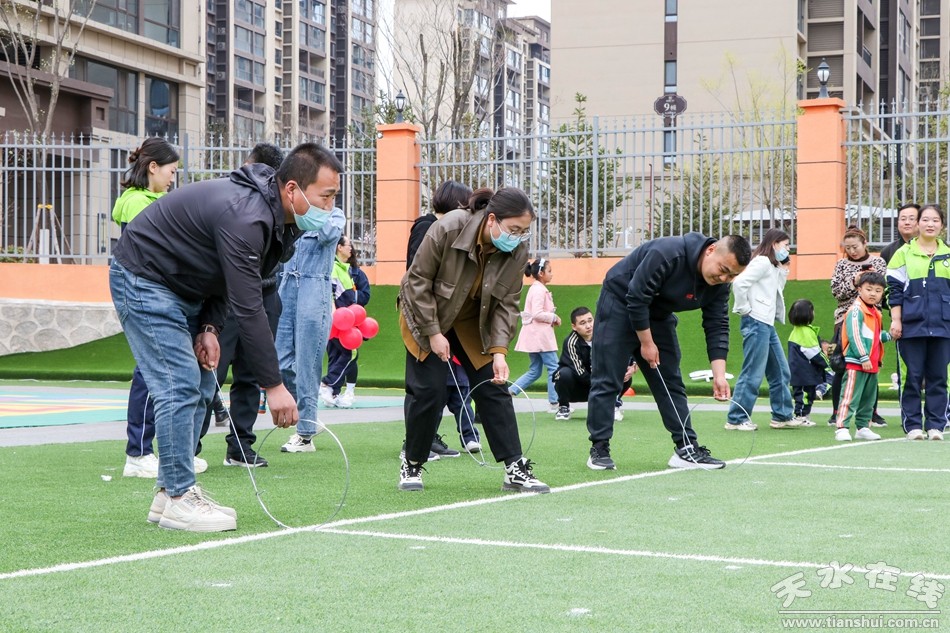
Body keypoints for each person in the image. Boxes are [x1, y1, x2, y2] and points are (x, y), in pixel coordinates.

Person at [110, 142, 342, 532]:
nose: (331, 208)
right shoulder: (248, 216)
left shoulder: (277, 218)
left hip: (184, 287)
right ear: (292, 190)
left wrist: (209, 328)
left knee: (198, 385)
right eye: (327, 196)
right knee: (178, 385)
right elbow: (249, 305)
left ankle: (168, 494)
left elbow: (223, 276)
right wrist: (274, 385)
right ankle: (182, 497)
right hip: (144, 279)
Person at [397, 186, 550, 493]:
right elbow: (416, 282)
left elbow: (507, 304)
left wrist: (499, 352)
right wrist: (434, 332)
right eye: (513, 229)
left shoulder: (516, 251)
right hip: (426, 312)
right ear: (491, 220)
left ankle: (514, 468)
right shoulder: (449, 227)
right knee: (428, 392)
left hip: (472, 321)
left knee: (494, 387)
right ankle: (411, 463)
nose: (518, 237)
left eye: (524, 232)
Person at [585, 232, 751, 471]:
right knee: (608, 378)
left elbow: (717, 325)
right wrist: (647, 343)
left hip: (658, 315)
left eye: (732, 275)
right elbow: (637, 296)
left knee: (670, 380)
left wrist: (719, 374)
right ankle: (599, 447)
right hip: (621, 302)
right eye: (723, 269)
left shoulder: (720, 285)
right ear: (711, 250)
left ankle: (686, 448)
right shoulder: (668, 253)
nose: (724, 277)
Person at [197, 143, 286, 469]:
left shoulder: (282, 205)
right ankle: (190, 445)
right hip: (231, 299)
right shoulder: (235, 201)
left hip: (267, 295)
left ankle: (240, 446)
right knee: (211, 373)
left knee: (251, 375)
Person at [111, 137, 183, 479]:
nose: (173, 178)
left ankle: (158, 450)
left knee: (156, 369)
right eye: (171, 171)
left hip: (156, 292)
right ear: (152, 167)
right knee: (149, 370)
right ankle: (138, 452)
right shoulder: (138, 203)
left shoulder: (154, 199)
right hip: (144, 292)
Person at [405, 179, 480, 457]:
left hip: (440, 314)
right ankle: (412, 444)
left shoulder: (449, 230)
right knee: (422, 385)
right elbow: (418, 274)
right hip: (421, 315)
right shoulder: (427, 227)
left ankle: (429, 438)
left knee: (438, 383)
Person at [274, 203, 346, 453]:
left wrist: (313, 210)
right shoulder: (291, 213)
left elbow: (327, 236)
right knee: (280, 361)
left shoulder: (334, 215)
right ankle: (308, 414)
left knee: (308, 362)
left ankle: (305, 433)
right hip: (286, 287)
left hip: (314, 289)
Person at [886, 203, 950, 441]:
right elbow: (893, 290)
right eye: (925, 220)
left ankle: (935, 425)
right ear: (917, 224)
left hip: (943, 326)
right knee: (911, 376)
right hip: (911, 326)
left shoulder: (948, 254)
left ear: (942, 225)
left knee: (938, 377)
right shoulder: (903, 254)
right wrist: (896, 320)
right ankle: (913, 425)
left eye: (935, 220)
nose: (930, 224)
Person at [725, 229, 799, 431]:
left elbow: (777, 291)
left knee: (780, 371)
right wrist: (743, 309)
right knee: (753, 372)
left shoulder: (772, 266)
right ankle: (737, 418)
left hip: (766, 323)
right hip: (756, 321)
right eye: (785, 245)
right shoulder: (762, 262)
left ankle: (782, 415)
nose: (787, 249)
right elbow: (739, 283)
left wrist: (783, 270)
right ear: (774, 244)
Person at [828, 226, 888, 426]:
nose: (852, 251)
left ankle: (872, 412)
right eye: (848, 248)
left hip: (872, 317)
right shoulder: (841, 264)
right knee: (842, 365)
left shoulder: (878, 262)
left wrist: (870, 282)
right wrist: (854, 282)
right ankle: (837, 410)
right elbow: (836, 291)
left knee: (871, 363)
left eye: (855, 247)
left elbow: (882, 287)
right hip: (846, 316)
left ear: (865, 244)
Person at [835, 272, 891, 441]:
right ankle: (842, 427)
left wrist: (890, 335)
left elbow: (874, 336)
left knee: (869, 398)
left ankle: (863, 426)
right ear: (859, 289)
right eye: (869, 289)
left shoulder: (875, 312)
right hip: (858, 362)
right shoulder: (855, 310)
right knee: (850, 395)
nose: (873, 293)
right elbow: (854, 335)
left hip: (872, 363)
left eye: (878, 290)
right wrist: (863, 357)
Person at [553, 306, 634, 421]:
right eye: (582, 323)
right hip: (578, 387)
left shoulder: (605, 335)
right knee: (563, 374)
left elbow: (624, 351)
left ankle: (612, 404)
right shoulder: (571, 342)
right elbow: (579, 371)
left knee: (625, 376)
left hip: (600, 385)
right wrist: (600, 385)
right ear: (574, 327)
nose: (588, 326)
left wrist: (632, 366)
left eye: (590, 320)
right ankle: (564, 407)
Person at [508, 258, 562, 412]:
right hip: (540, 338)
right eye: (549, 271)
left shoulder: (536, 288)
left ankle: (511, 391)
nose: (551, 274)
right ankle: (554, 402)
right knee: (554, 368)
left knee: (535, 370)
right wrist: (554, 317)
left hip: (535, 337)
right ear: (541, 273)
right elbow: (537, 313)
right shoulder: (539, 290)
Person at [879, 203, 919, 404]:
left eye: (912, 218)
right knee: (906, 365)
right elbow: (885, 287)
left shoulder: (939, 247)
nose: (907, 222)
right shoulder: (889, 251)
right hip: (903, 315)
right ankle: (908, 412)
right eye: (903, 218)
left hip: (933, 315)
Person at [321, 235, 361, 407]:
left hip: (345, 321)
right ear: (339, 247)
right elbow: (329, 292)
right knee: (350, 353)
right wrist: (333, 314)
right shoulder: (333, 267)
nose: (351, 248)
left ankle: (333, 393)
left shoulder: (345, 268)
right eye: (348, 245)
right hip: (338, 321)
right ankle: (327, 383)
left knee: (336, 354)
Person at [787, 299, 832, 425]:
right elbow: (813, 353)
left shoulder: (797, 330)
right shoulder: (806, 332)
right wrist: (826, 362)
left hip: (799, 372)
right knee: (805, 396)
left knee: (804, 395)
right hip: (804, 373)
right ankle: (801, 416)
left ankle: (803, 415)